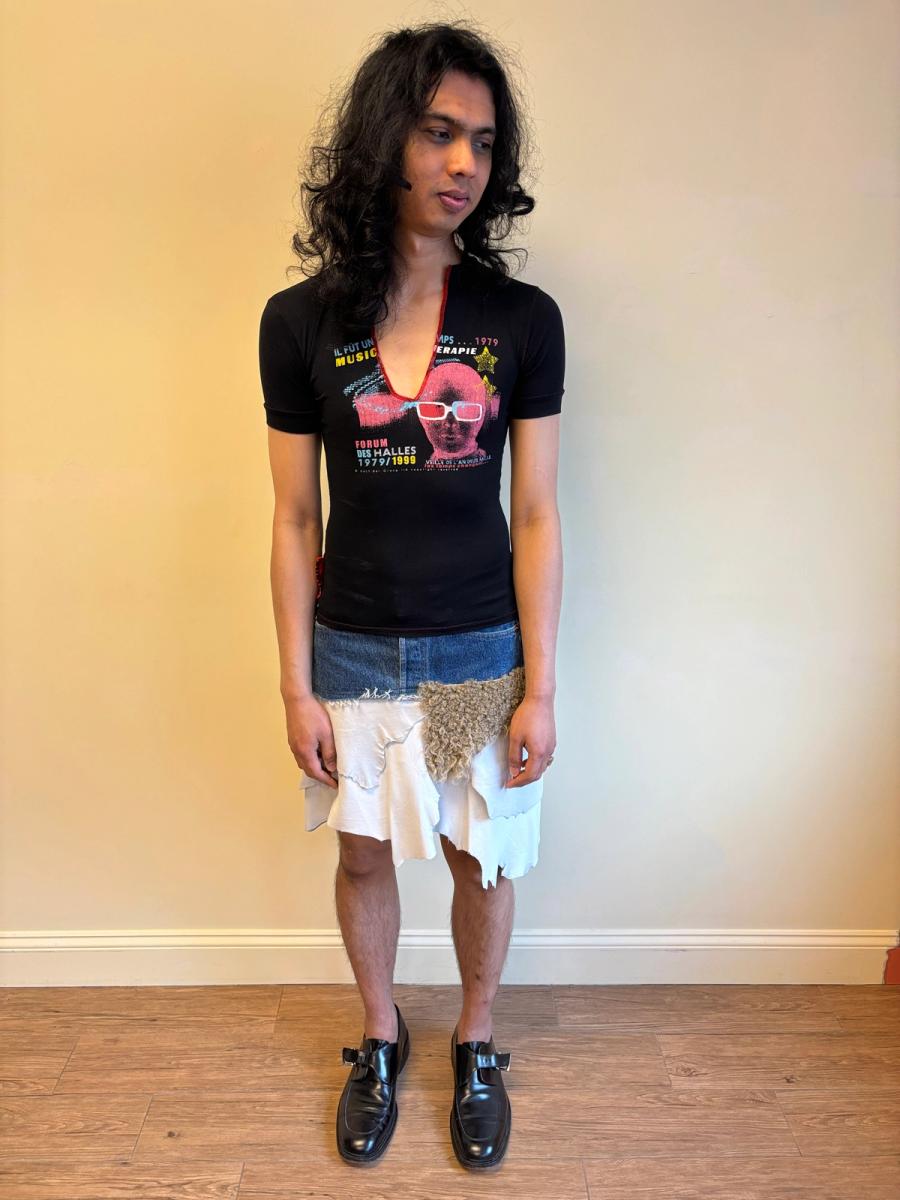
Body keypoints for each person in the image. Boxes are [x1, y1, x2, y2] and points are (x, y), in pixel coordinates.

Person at [258, 21, 564, 1171]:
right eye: (439, 133)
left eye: (482, 141)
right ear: (386, 138)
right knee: (362, 859)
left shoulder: (521, 322)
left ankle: (476, 1042)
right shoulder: (301, 321)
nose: (463, 163)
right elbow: (295, 520)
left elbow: (537, 516)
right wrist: (294, 685)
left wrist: (543, 685)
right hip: (353, 652)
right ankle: (381, 1037)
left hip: (481, 648)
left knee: (484, 858)